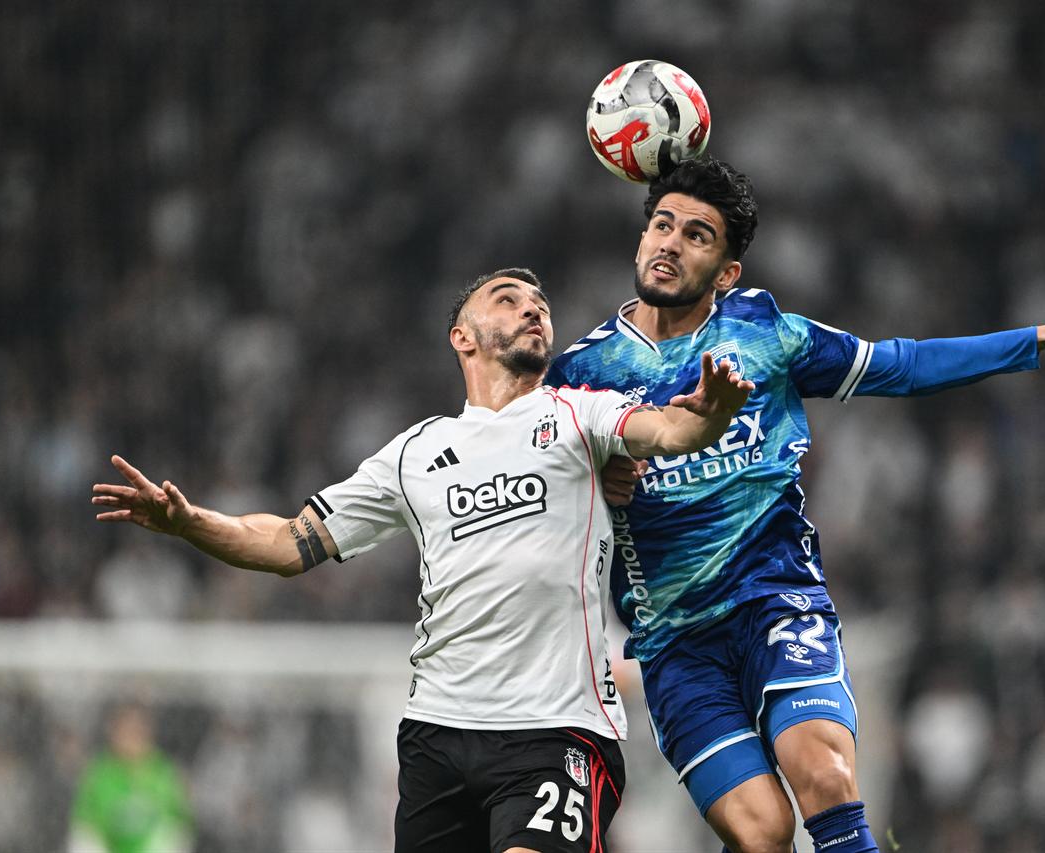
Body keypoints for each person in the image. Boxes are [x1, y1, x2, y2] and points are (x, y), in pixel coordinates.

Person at [545, 157, 1045, 853]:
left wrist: (1034, 339)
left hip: (776, 601)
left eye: (697, 235)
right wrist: (592, 488)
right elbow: (540, 494)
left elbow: (900, 365)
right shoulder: (579, 373)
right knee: (761, 831)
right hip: (676, 643)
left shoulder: (766, 335)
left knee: (824, 771)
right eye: (662, 225)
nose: (669, 242)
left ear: (727, 271)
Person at [91, 268, 754, 853]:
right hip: (439, 734)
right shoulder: (415, 453)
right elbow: (290, 543)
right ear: (462, 337)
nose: (534, 309)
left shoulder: (580, 415)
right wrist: (188, 522)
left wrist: (709, 419)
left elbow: (670, 428)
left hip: (555, 733)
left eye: (540, 302)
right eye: (508, 298)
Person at [68, 703, 193, 853]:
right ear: (113, 733)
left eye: (136, 731)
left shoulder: (165, 774)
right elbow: (86, 829)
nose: (130, 738)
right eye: (124, 731)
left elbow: (177, 827)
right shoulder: (99, 775)